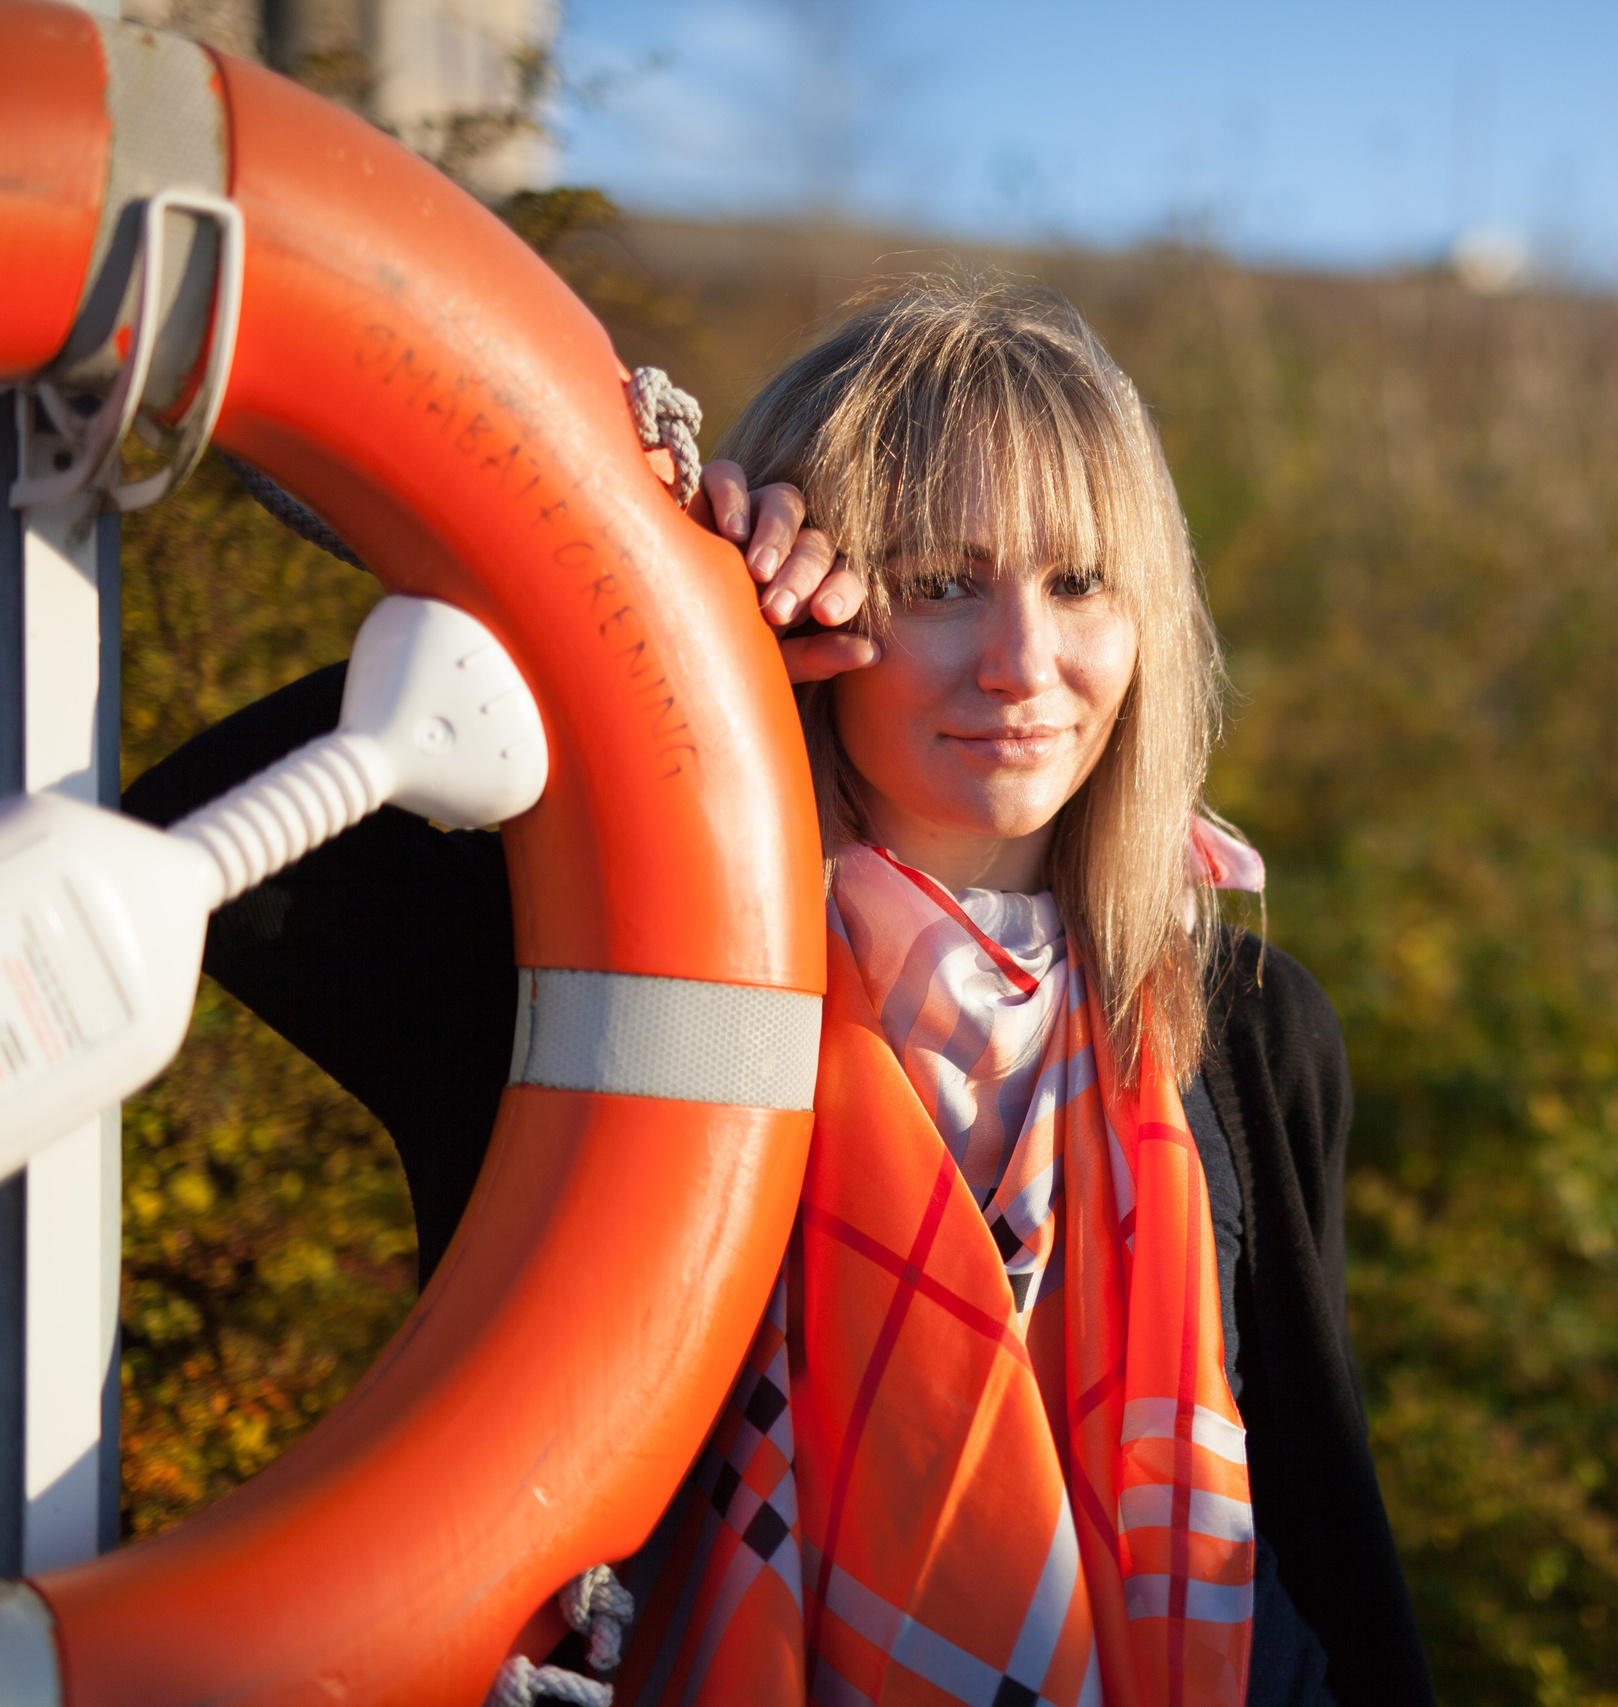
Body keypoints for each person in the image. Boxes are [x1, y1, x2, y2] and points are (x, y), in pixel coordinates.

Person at [125, 279, 1433, 1707]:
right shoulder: (602, 955)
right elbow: (201, 823)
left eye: (1078, 584)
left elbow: (1319, 1520)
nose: (1023, 664)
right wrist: (651, 624)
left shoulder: (1242, 1023)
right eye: (940, 584)